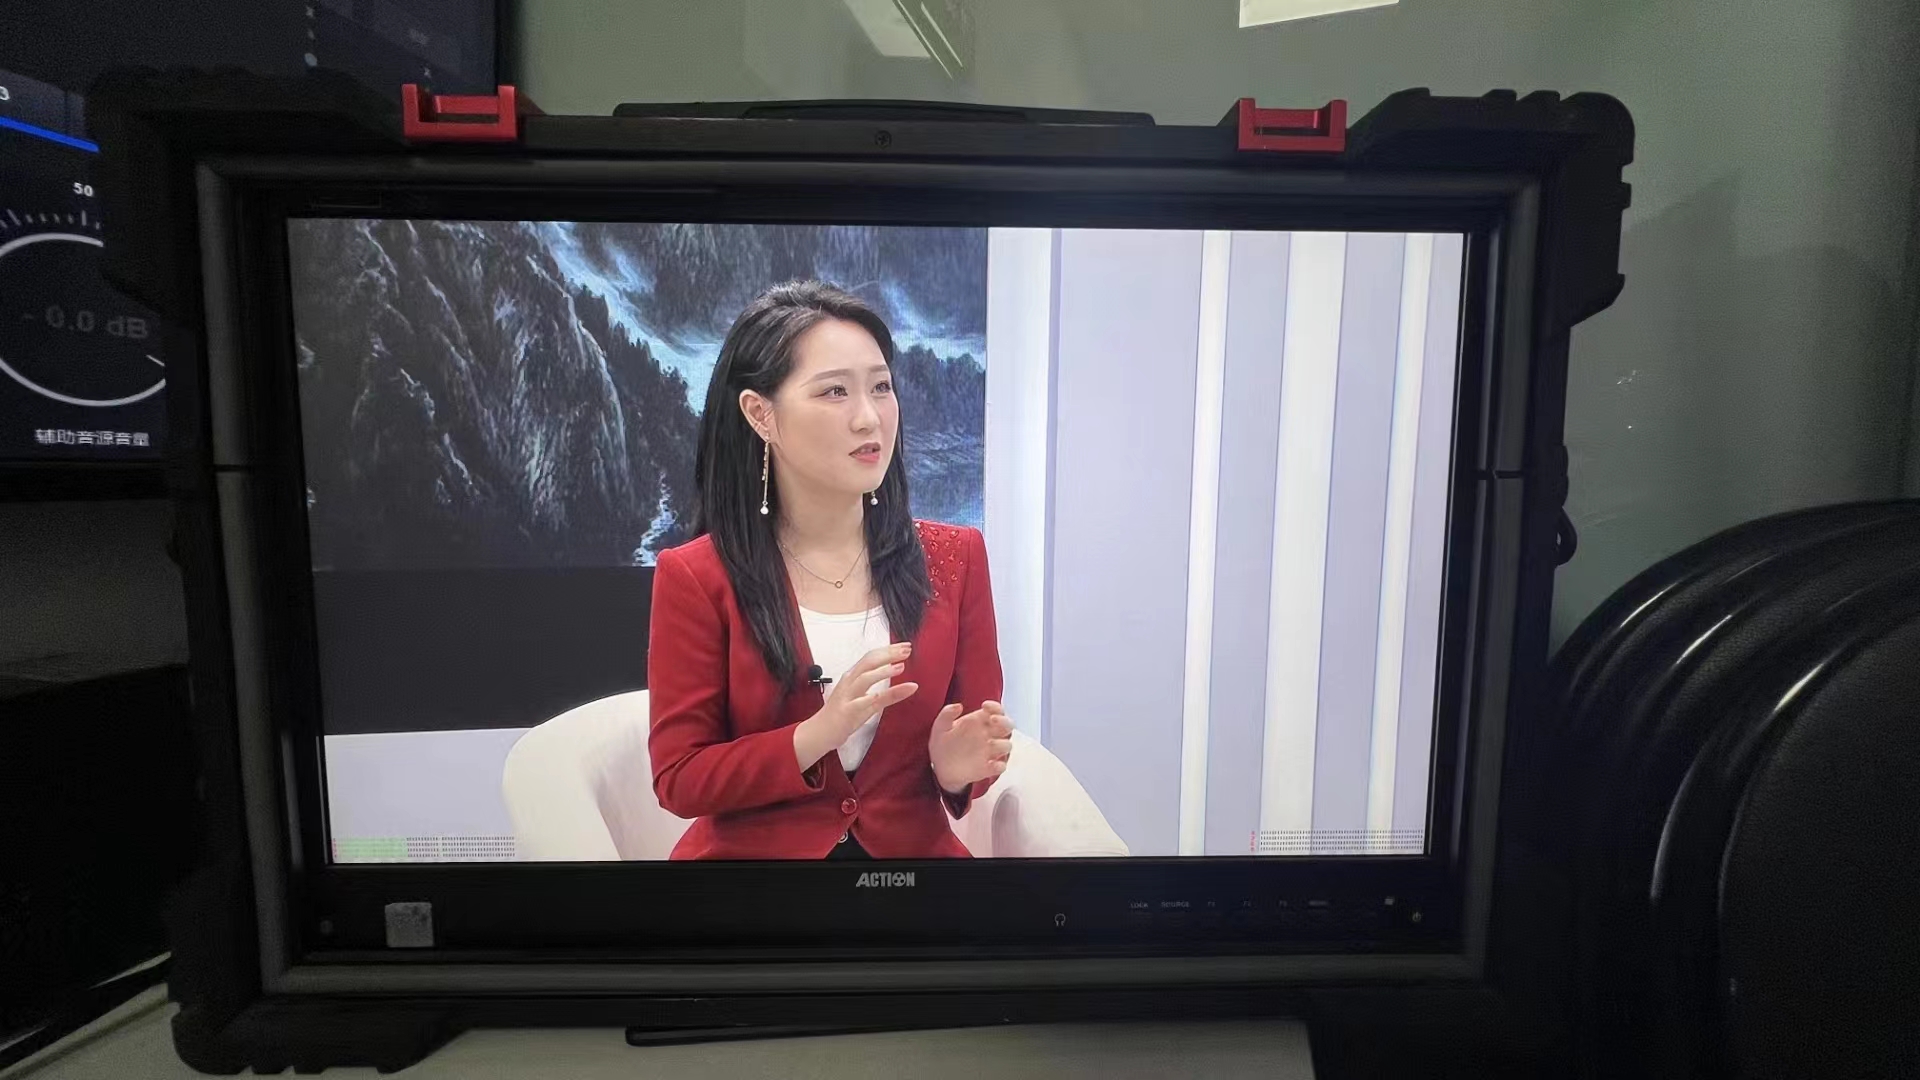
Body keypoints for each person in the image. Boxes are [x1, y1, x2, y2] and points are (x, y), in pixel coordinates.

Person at [646, 280, 1012, 860]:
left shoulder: (957, 557)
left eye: (881, 387)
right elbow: (679, 777)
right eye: (835, 391)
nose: (869, 418)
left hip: (909, 880)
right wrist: (815, 736)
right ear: (760, 414)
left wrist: (956, 770)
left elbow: (977, 739)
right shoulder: (697, 575)